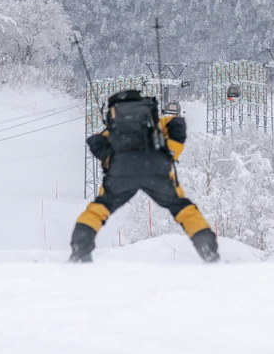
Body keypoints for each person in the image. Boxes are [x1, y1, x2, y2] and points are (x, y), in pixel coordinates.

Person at [70, 89, 219, 263]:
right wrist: (169, 154)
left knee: (98, 210)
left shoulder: (114, 129)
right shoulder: (154, 122)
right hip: (156, 167)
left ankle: (80, 250)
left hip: (121, 172)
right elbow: (178, 125)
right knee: (183, 209)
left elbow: (94, 141)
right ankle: (207, 249)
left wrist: (109, 159)